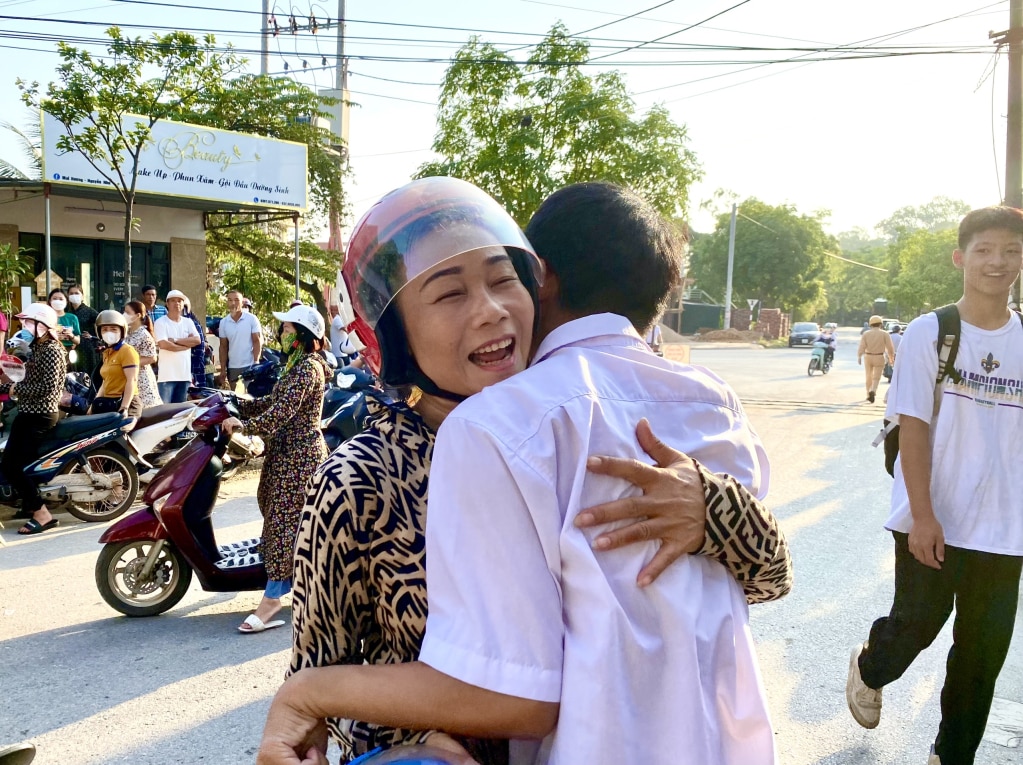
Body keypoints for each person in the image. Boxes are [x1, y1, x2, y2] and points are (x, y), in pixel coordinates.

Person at [258, 179, 791, 765]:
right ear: (394, 336)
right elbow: (317, 684)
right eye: (449, 295)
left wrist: (712, 507)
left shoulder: (577, 427)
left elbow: (763, 583)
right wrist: (405, 741)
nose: (489, 311)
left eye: (503, 278)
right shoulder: (359, 480)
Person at [846, 207, 1023, 765]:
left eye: (1012, 251)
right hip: (934, 513)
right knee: (917, 626)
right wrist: (921, 515)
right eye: (985, 250)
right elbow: (914, 428)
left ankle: (951, 756)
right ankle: (871, 666)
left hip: (1005, 526)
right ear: (961, 258)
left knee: (981, 656)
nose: (999, 261)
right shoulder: (932, 332)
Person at [222, 304, 330, 634]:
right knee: (272, 510)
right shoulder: (294, 367)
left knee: (283, 521)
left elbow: (279, 414)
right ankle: (293, 580)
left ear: (302, 334)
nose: (282, 333)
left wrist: (243, 425)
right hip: (283, 454)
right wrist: (232, 400)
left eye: (287, 329)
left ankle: (272, 600)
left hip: (300, 457)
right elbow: (271, 401)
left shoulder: (308, 369)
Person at [0, 303, 67, 534]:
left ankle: (42, 513)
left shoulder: (51, 349)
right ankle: (29, 504)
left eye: (30, 323)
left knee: (11, 466)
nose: (25, 326)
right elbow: (27, 378)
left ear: (42, 326)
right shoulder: (37, 347)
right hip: (28, 412)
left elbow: (47, 387)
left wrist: (16, 390)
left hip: (40, 415)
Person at [90, 310, 141, 417]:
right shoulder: (107, 353)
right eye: (104, 329)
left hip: (127, 402)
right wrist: (93, 406)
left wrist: (124, 407)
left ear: (122, 331)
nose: (109, 332)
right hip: (109, 402)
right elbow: (105, 383)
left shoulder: (127, 351)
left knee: (122, 431)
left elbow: (132, 380)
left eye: (113, 329)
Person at [153, 290, 200, 403]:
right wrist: (186, 345)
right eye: (173, 301)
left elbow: (197, 340)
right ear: (167, 304)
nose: (177, 303)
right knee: (165, 413)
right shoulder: (160, 322)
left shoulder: (188, 322)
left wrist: (175, 340)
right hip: (167, 377)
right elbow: (164, 344)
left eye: (179, 301)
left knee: (181, 413)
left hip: (184, 376)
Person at [217, 289, 263, 390]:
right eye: (230, 300)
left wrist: (256, 363)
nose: (233, 303)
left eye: (236, 300)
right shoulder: (224, 322)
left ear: (242, 302)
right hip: (233, 368)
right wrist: (223, 369)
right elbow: (223, 347)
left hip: (249, 366)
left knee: (250, 398)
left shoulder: (251, 319)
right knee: (236, 399)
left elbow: (257, 341)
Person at [123, 301, 161, 408]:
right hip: (128, 376)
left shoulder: (144, 335)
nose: (124, 315)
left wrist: (130, 364)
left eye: (127, 312)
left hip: (142, 378)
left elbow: (152, 357)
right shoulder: (127, 333)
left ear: (138, 315)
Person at [857, 315, 895, 403]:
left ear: (871, 324)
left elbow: (862, 346)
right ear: (881, 324)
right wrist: (891, 358)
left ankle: (868, 394)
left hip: (868, 356)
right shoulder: (885, 334)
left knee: (868, 375)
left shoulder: (866, 334)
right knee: (876, 377)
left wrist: (859, 356)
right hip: (879, 356)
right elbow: (890, 348)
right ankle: (873, 390)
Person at [67, 284, 99, 375]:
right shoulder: (67, 311)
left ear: (82, 296)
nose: (74, 295)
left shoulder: (89, 311)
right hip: (70, 346)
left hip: (86, 347)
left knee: (86, 374)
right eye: (71, 293)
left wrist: (93, 336)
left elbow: (101, 322)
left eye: (76, 293)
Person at [182, 298, 207, 388]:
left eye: (183, 307)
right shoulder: (167, 322)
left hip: (194, 365)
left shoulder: (192, 323)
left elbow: (199, 344)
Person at [48, 288, 80, 358]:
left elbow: (78, 341)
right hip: (51, 352)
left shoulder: (72, 318)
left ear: (66, 301)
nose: (57, 301)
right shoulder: (46, 318)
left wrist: (71, 336)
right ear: (50, 301)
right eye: (55, 298)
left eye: (61, 299)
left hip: (68, 352)